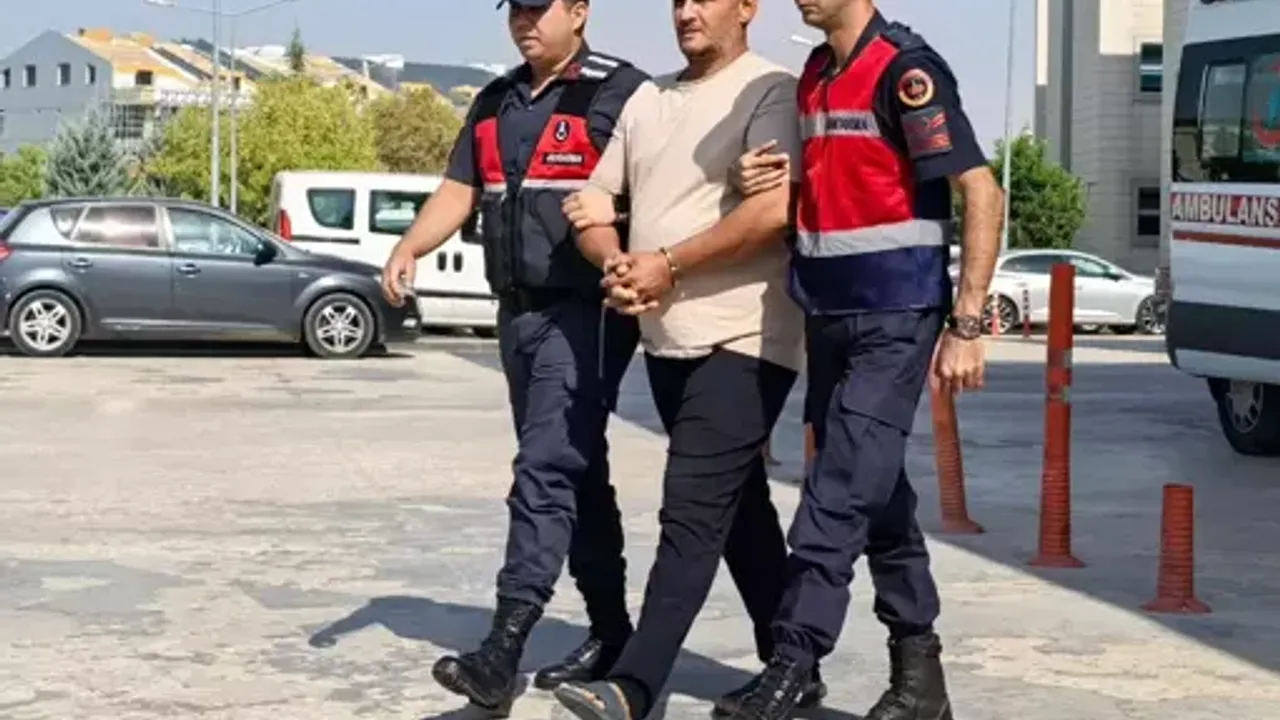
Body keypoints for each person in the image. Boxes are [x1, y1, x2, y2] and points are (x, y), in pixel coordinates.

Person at [543, 1, 828, 718]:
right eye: (677, 0)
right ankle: (791, 663)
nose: (688, 11)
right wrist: (617, 263)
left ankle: (634, 686)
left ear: (747, 8)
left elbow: (771, 213)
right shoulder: (648, 98)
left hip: (745, 335)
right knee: (739, 510)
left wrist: (666, 264)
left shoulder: (769, 90)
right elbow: (594, 201)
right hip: (666, 335)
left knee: (691, 512)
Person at [721, 1, 1003, 719]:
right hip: (829, 317)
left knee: (838, 488)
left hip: (895, 315)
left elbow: (981, 189)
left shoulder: (905, 71)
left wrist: (966, 322)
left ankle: (792, 661)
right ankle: (920, 677)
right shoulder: (816, 71)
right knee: (876, 493)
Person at [380, 0, 649, 713]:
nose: (525, 21)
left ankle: (503, 648)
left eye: (540, 7)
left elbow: (659, 188)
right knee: (576, 473)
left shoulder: (619, 92)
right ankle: (611, 631)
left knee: (544, 467)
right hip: (517, 314)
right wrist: (411, 245)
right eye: (516, 10)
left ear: (580, 11)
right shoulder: (496, 101)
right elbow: (459, 189)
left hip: (585, 312)